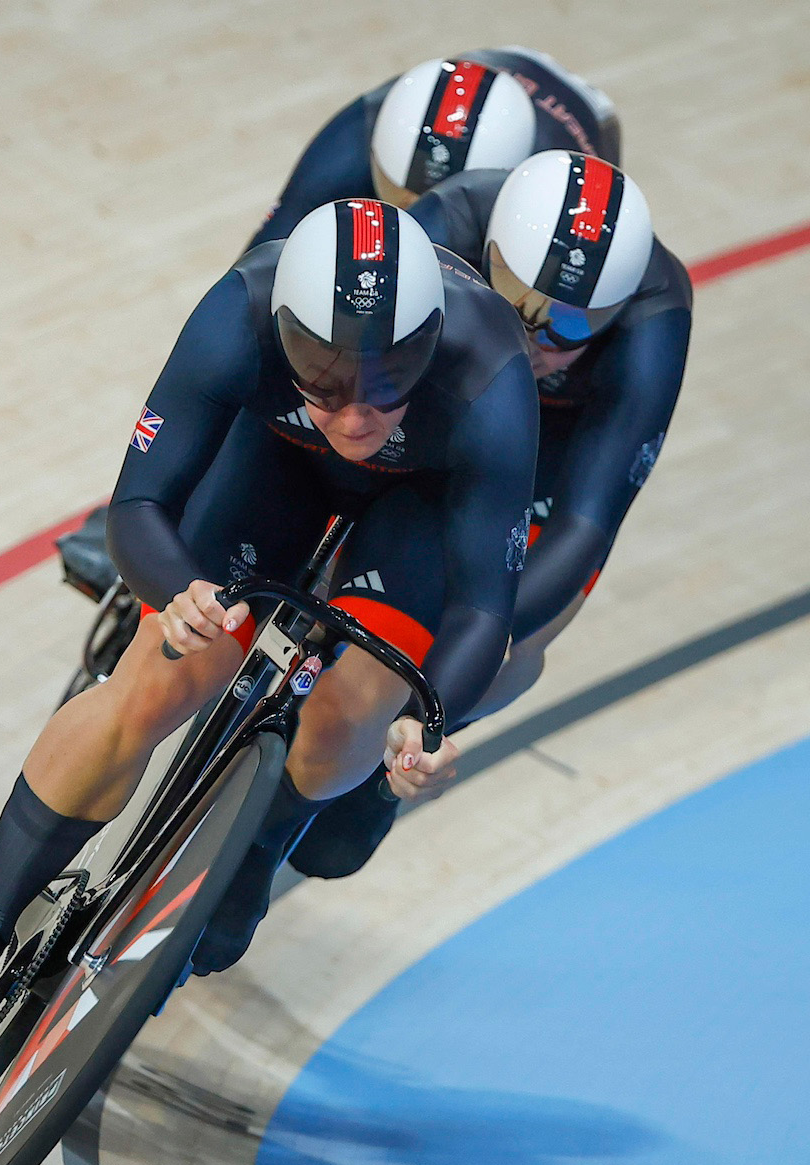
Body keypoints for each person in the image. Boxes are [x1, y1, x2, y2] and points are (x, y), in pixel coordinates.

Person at [0, 198, 538, 1017]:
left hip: (418, 505)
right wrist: (180, 596)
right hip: (275, 461)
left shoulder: (490, 370)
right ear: (283, 334)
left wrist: (431, 716)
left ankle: (258, 848)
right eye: (327, 380)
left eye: (389, 382)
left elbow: (487, 604)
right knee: (161, 677)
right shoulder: (238, 310)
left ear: (429, 345)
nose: (355, 413)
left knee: (353, 711)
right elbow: (138, 505)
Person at [286, 151, 691, 880]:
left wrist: (451, 674)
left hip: (548, 454)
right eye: (517, 300)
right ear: (487, 253)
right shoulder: (451, 220)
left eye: (569, 324)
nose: (535, 339)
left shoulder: (656, 314)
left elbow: (585, 524)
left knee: (518, 638)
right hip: (438, 401)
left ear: (620, 307)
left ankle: (394, 759)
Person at [252, 48, 622, 246]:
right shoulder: (358, 133)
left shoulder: (542, 189)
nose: (411, 214)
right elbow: (258, 266)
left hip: (587, 121)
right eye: (397, 193)